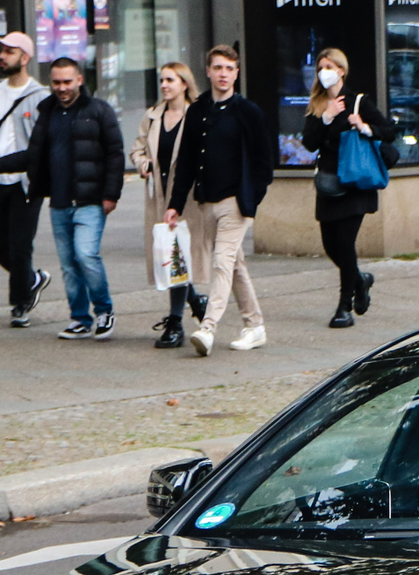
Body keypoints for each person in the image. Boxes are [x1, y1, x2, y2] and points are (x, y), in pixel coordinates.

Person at [0, 55, 124, 339]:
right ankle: (80, 319)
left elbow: (115, 154)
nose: (61, 88)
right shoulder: (46, 112)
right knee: (68, 265)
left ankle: (104, 311)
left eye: (67, 82)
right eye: (56, 82)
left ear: (79, 80)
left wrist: (111, 194)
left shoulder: (99, 110)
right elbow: (32, 155)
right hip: (59, 202)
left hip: (90, 201)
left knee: (86, 255)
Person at [167, 45, 276, 357]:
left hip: (236, 203)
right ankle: (254, 325)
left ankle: (208, 326)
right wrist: (175, 203)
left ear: (236, 73)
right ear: (209, 71)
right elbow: (186, 161)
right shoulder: (198, 110)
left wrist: (252, 198)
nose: (223, 74)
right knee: (234, 264)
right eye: (218, 68)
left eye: (229, 69)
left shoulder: (248, 112)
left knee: (220, 261)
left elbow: (262, 163)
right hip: (206, 201)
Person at [299, 48, 395, 330]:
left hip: (355, 183)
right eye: (320, 67)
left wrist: (364, 127)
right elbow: (309, 143)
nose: (324, 72)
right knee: (330, 246)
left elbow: (388, 131)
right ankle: (360, 280)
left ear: (341, 70)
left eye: (329, 66)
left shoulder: (358, 102)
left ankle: (344, 307)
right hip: (328, 183)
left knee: (345, 242)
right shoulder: (317, 104)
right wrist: (326, 118)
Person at [133, 60, 210, 347]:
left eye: (170, 80)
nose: (164, 85)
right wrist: (142, 163)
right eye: (162, 80)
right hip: (158, 196)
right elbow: (137, 148)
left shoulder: (196, 115)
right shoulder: (152, 116)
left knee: (178, 256)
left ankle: (175, 322)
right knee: (171, 255)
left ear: (184, 84)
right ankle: (194, 300)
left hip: (186, 198)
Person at [0, 32, 50, 328]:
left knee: (21, 244)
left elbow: (43, 143)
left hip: (26, 181)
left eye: (9, 51)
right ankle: (32, 279)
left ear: (25, 58)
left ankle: (20, 304)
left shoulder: (41, 96)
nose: (2, 56)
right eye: (2, 51)